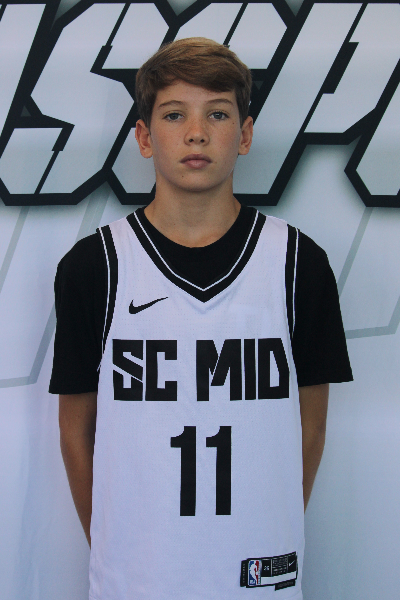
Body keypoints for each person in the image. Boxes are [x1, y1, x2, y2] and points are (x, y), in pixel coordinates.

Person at [50, 37, 353, 600]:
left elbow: (309, 426)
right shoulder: (96, 266)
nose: (196, 133)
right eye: (174, 115)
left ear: (245, 134)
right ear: (144, 137)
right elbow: (76, 429)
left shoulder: (297, 263)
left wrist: (273, 524)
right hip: (137, 575)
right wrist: (115, 544)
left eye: (217, 113)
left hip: (260, 573)